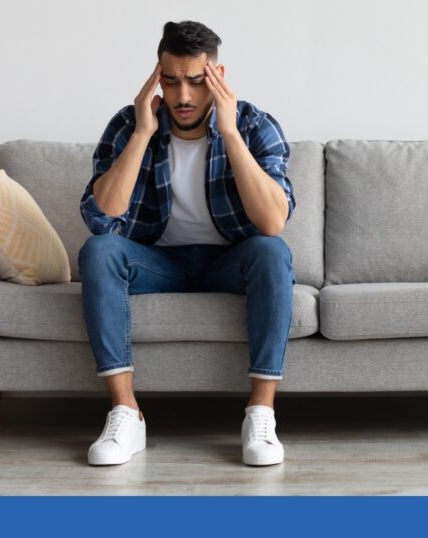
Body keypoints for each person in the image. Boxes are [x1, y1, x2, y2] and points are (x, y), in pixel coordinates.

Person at [77, 20, 297, 467]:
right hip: (158, 262)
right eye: (171, 81)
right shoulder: (128, 123)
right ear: (157, 75)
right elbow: (103, 215)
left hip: (228, 261)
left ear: (217, 75)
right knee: (98, 250)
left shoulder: (254, 125)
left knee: (273, 252)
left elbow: (273, 222)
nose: (183, 97)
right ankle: (126, 413)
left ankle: (260, 415)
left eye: (197, 82)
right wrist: (141, 133)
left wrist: (231, 133)